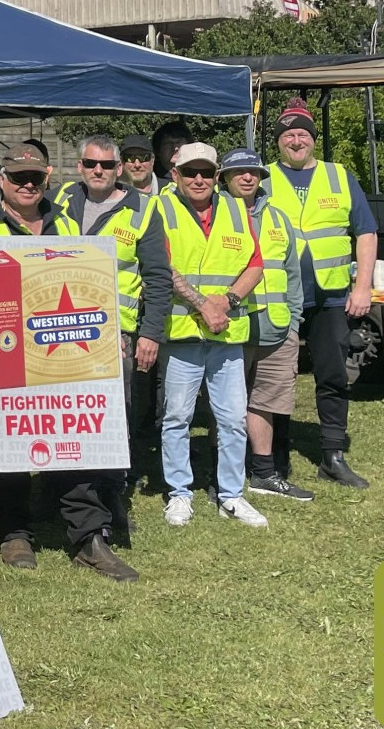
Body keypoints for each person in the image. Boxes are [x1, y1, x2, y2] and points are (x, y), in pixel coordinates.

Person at [0, 147, 135, 581]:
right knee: (8, 443)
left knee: (73, 441)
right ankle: (14, 532)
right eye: (17, 178)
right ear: (2, 180)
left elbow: (86, 283)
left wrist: (106, 335)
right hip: (3, 355)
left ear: (46, 178)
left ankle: (88, 537)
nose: (27, 185)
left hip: (60, 353)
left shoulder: (66, 223)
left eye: (35, 177)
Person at [263, 100, 376, 490]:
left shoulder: (339, 176)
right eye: (289, 134)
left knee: (332, 375)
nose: (296, 140)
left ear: (313, 140)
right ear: (279, 142)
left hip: (332, 296)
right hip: (279, 297)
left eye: (303, 134)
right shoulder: (262, 180)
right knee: (276, 379)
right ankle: (274, 456)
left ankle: (332, 455)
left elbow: (366, 232)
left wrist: (362, 286)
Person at [153, 143, 267, 529]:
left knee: (233, 418)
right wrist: (203, 304)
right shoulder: (162, 208)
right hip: (182, 333)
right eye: (190, 172)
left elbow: (256, 264)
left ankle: (231, 496)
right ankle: (179, 494)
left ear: (217, 176)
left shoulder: (238, 209)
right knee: (177, 418)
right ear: (176, 176)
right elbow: (160, 266)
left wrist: (230, 299)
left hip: (226, 334)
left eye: (205, 172)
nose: (198, 179)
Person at [57, 134, 173, 506]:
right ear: (79, 167)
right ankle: (63, 489)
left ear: (119, 169)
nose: (98, 171)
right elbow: (10, 193)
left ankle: (111, 495)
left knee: (112, 416)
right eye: (91, 164)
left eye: (107, 165)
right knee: (67, 412)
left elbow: (158, 277)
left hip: (115, 334)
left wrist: (150, 334)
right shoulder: (59, 200)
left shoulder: (144, 209)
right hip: (59, 330)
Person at [220, 147, 315, 503]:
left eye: (254, 172)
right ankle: (223, 474)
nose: (248, 177)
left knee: (265, 403)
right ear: (224, 179)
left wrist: (293, 323)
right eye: (239, 171)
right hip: (229, 330)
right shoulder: (213, 216)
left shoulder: (278, 218)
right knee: (225, 406)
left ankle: (263, 473)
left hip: (276, 331)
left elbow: (292, 275)